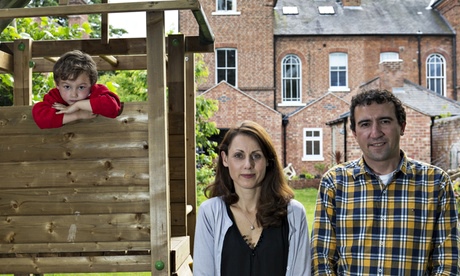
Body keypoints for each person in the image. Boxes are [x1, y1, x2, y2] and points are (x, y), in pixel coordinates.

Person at [311, 89, 459, 275]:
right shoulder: (334, 183)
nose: (375, 132)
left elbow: (447, 264)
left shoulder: (436, 183)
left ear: (402, 126)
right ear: (355, 133)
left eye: (385, 121)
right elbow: (321, 260)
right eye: (365, 124)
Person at [194, 120, 311, 276]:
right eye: (238, 156)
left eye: (256, 156)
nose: (248, 164)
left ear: (268, 161)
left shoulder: (294, 214)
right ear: (225, 159)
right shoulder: (210, 213)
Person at [32, 50, 121, 129]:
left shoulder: (96, 91)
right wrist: (78, 114)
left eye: (81, 87)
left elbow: (112, 107)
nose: (73, 94)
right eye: (67, 87)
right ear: (57, 84)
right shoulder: (55, 96)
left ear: (92, 84)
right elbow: (41, 118)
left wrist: (77, 106)